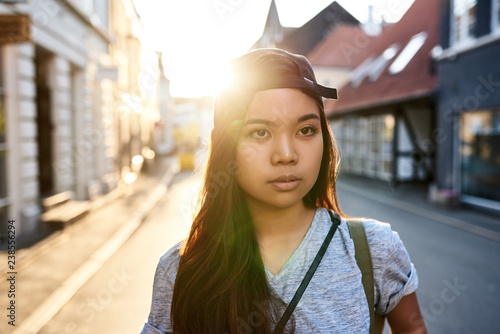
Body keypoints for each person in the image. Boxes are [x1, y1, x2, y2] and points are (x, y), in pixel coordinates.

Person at [140, 48, 426, 334]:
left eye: (305, 130)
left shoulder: (374, 250)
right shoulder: (181, 269)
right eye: (260, 133)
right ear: (226, 147)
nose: (286, 155)